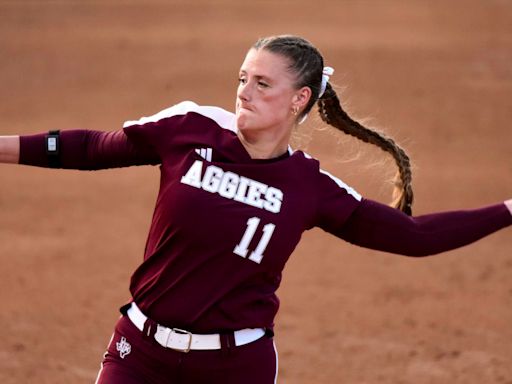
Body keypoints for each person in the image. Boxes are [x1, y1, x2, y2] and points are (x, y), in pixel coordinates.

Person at [1, 35, 510, 384]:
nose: (244, 92)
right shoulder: (191, 128)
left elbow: (413, 236)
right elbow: (92, 147)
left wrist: (508, 209)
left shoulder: (309, 186)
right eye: (243, 78)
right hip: (140, 354)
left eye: (263, 84)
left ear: (299, 99)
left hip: (235, 366)